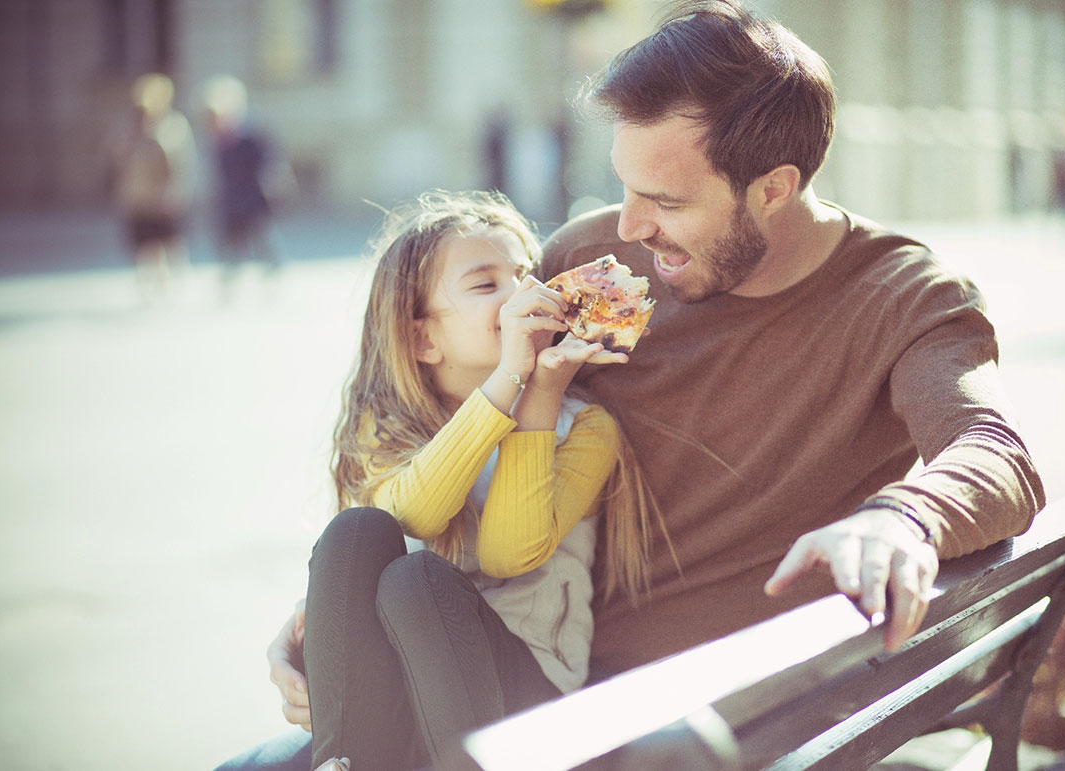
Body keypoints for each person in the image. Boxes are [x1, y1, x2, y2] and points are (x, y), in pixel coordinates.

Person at [216, 3, 1044, 768]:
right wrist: (335, 610)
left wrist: (905, 517)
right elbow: (458, 421)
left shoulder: (903, 297)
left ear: (774, 188)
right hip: (504, 678)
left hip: (705, 728)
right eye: (623, 186)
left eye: (663, 199)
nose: (630, 226)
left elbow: (996, 452)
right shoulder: (590, 262)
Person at [300, 190, 660, 770]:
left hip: (531, 714)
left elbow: (507, 553)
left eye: (526, 273)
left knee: (420, 581)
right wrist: (505, 381)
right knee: (356, 532)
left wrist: (537, 390)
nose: (524, 293)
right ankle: (339, 763)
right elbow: (407, 519)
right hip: (404, 711)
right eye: (485, 283)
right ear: (423, 340)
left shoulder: (585, 429)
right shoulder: (386, 429)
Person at [105, 72, 196, 303]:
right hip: (137, 196)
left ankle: (175, 281)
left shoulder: (173, 125)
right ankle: (147, 283)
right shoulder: (129, 128)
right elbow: (115, 156)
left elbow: (179, 162)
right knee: (144, 243)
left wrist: (175, 192)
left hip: (164, 196)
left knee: (169, 240)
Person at [201, 74, 292, 298]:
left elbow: (270, 164)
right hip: (232, 202)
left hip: (254, 199)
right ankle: (228, 284)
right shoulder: (218, 141)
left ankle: (272, 278)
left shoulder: (251, 135)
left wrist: (274, 189)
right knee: (232, 246)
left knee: (264, 242)